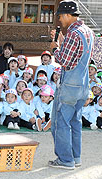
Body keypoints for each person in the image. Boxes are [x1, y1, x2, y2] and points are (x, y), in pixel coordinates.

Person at [49, 0, 95, 170]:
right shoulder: (88, 31)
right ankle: (76, 157)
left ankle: (65, 160)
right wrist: (63, 41)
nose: (59, 20)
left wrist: (55, 48)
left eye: (60, 16)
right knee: (75, 122)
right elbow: (82, 56)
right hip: (83, 85)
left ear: (68, 15)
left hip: (69, 85)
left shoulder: (73, 33)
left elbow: (64, 61)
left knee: (60, 122)